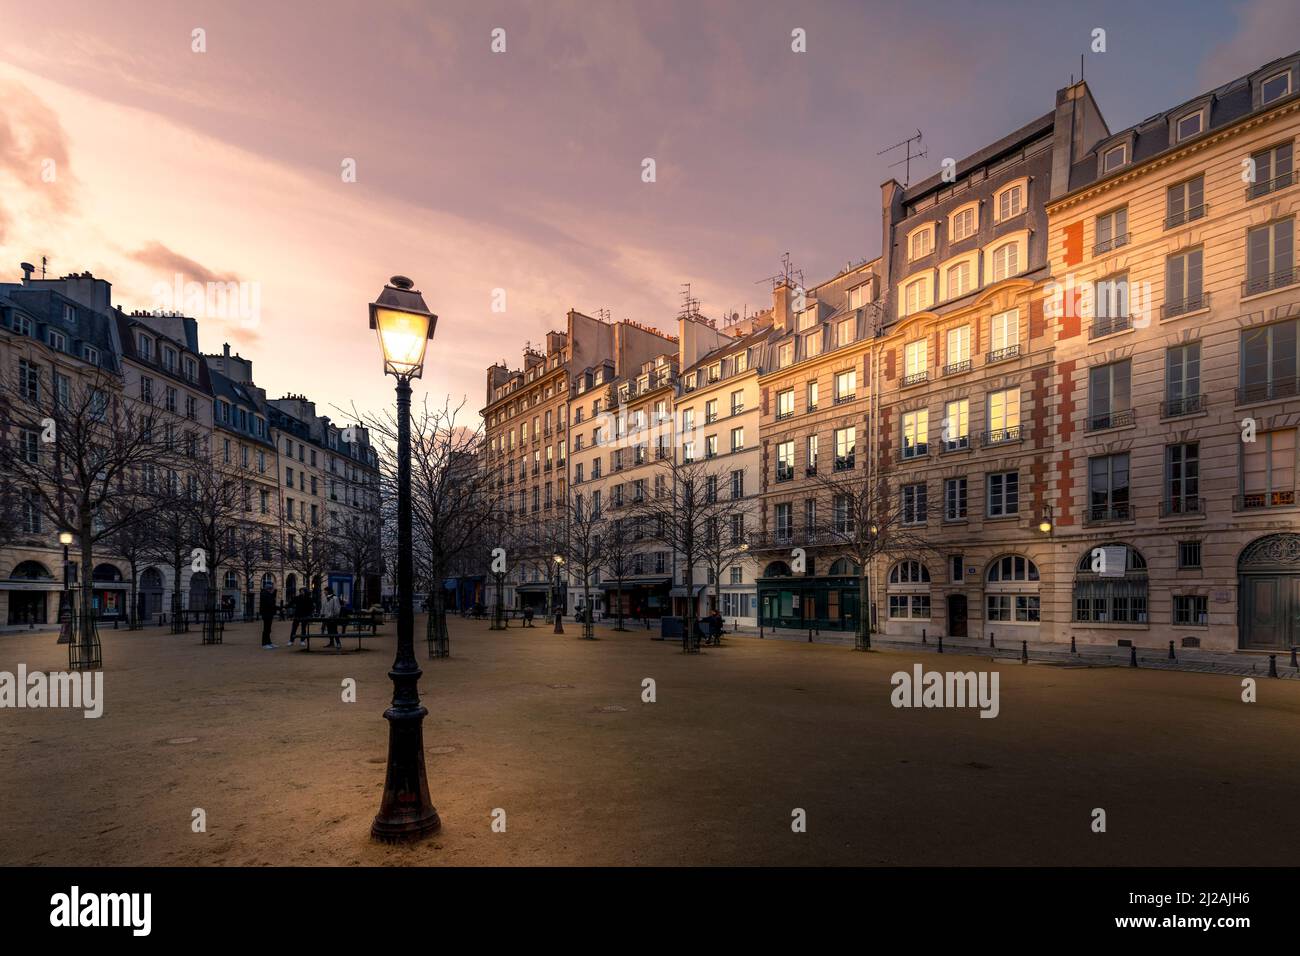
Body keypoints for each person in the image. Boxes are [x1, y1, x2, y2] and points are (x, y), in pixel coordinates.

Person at [258, 584, 277, 648]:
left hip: (268, 613)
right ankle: (264, 644)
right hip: (267, 614)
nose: (273, 590)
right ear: (269, 589)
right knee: (266, 629)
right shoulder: (265, 595)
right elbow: (270, 604)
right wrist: (279, 608)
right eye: (272, 589)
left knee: (268, 629)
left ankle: (269, 642)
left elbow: (272, 603)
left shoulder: (267, 594)